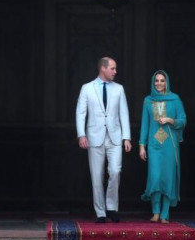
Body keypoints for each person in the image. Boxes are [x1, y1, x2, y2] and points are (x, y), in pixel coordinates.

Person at [76, 57, 132, 223]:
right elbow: (80, 113)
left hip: (115, 137)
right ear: (103, 68)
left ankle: (111, 208)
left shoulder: (119, 89)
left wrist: (126, 137)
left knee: (115, 171)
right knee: (97, 175)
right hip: (94, 137)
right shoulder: (87, 88)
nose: (115, 71)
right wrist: (81, 134)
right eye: (113, 68)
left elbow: (124, 113)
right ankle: (100, 212)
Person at [138, 69, 186, 223]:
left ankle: (165, 213)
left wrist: (170, 120)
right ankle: (155, 212)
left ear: (167, 83)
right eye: (156, 81)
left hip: (169, 145)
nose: (159, 83)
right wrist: (141, 145)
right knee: (155, 177)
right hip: (153, 145)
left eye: (162, 81)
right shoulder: (148, 101)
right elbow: (145, 124)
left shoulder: (175, 99)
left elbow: (183, 120)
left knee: (168, 178)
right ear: (153, 83)